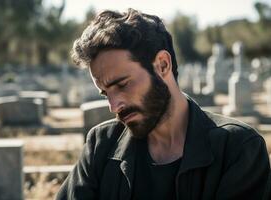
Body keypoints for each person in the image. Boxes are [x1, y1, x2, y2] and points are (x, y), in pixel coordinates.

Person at [56, 8, 270, 200]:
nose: (114, 106)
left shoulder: (238, 149)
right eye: (105, 93)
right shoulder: (101, 145)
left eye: (122, 85)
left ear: (162, 65)